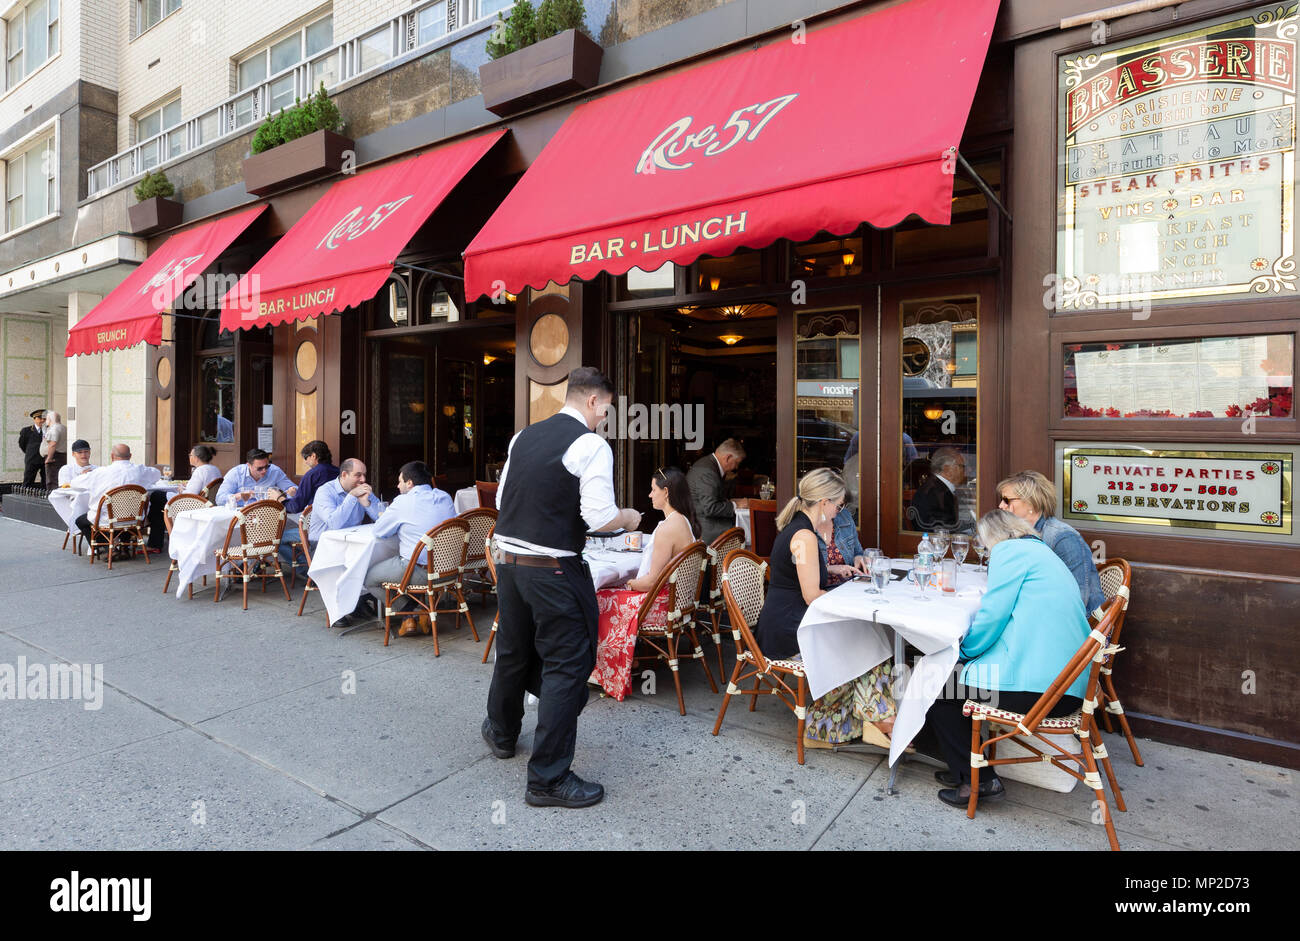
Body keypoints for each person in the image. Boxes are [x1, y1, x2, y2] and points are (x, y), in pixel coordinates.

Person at [484, 366, 642, 810]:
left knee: (513, 651)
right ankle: (548, 779)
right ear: (593, 401)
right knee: (566, 666)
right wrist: (628, 517)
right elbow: (599, 517)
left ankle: (501, 733)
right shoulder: (591, 445)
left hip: (509, 564)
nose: (604, 418)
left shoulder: (523, 436)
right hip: (554, 569)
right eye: (606, 409)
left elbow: (502, 502)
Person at [922, 509, 1090, 808]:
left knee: (940, 688)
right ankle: (966, 767)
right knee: (950, 682)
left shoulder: (1008, 551)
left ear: (993, 537)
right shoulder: (1038, 551)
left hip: (1042, 691)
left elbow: (992, 615)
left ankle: (978, 781)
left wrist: (963, 652)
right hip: (1068, 684)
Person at [590, 467, 699, 701]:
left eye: (653, 490)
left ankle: (607, 671)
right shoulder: (683, 522)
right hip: (677, 602)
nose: (650, 495)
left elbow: (650, 582)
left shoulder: (667, 529)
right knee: (610, 590)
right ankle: (627, 661)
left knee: (599, 596)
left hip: (659, 606)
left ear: (666, 493)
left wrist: (629, 584)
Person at [360, 461, 454, 634]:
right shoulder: (445, 496)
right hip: (449, 571)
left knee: (369, 579)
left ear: (409, 483)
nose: (397, 485)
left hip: (421, 573)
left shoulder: (403, 501)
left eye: (400, 481)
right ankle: (414, 614)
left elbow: (379, 531)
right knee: (408, 559)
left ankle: (410, 612)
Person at [996, 470, 1106, 615]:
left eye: (1007, 500)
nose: (1000, 505)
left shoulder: (1063, 538)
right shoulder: (1019, 534)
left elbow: (1077, 599)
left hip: (1079, 628)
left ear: (1031, 503)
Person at [74, 444, 165, 552]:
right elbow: (157, 474)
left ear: (112, 456)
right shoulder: (140, 470)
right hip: (135, 520)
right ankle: (122, 545)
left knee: (80, 521)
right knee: (158, 497)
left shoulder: (100, 473)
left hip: (107, 520)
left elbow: (75, 483)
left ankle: (108, 547)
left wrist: (84, 475)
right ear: (130, 456)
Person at [687, 438, 748, 545]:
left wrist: (730, 501)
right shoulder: (708, 472)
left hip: (703, 521)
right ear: (728, 458)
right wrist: (735, 505)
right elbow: (710, 508)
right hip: (706, 528)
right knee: (746, 532)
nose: (736, 467)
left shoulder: (708, 464)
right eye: (736, 463)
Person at [216, 449, 297, 508]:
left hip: (268, 514)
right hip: (240, 515)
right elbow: (219, 499)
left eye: (266, 466)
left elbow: (295, 490)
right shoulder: (236, 473)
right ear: (248, 465)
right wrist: (240, 496)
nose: (264, 471)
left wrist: (292, 492)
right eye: (259, 468)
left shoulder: (274, 471)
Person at [909, 446, 964, 532]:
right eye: (961, 466)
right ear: (947, 469)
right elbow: (941, 531)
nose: (967, 470)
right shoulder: (934, 493)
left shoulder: (939, 488)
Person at [813, 505, 868, 588]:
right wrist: (829, 569)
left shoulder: (844, 515)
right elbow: (801, 571)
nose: (841, 510)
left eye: (842, 505)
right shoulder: (804, 525)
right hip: (820, 593)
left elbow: (858, 552)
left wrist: (858, 558)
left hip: (849, 587)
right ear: (824, 502)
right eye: (839, 505)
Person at [283, 440, 339, 513]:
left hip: (317, 518)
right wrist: (297, 494)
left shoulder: (312, 475)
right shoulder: (339, 472)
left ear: (313, 456)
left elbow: (296, 507)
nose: (306, 462)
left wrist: (281, 500)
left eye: (306, 458)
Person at [19, 409, 46, 487]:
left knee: (46, 480)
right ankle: (25, 497)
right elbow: (22, 444)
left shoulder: (49, 430)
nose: (42, 420)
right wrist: (30, 452)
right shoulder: (26, 431)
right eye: (39, 418)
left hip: (45, 459)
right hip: (32, 459)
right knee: (28, 480)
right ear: (34, 419)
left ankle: (44, 496)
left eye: (44, 419)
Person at [42, 411, 67, 491]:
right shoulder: (64, 428)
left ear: (50, 420)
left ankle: (52, 497)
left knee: (52, 480)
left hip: (54, 457)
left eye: (46, 419)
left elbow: (52, 444)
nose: (46, 421)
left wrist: (49, 458)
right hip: (62, 455)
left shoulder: (54, 429)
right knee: (59, 477)